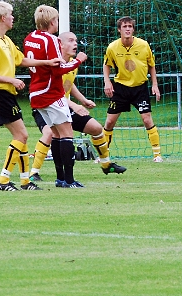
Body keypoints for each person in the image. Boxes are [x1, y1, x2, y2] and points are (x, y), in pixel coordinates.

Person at [0, 0, 60, 191]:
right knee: (21, 135)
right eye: (11, 14)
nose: (13, 17)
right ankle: (3, 180)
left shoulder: (6, 40)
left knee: (22, 136)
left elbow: (22, 60)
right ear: (2, 18)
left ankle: (25, 181)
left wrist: (47, 62)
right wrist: (12, 80)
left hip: (5, 93)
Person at [29, 31, 127, 183]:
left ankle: (106, 164)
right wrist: (75, 105)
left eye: (76, 40)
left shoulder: (72, 63)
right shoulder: (56, 63)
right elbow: (53, 92)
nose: (75, 43)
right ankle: (34, 172)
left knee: (96, 128)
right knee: (50, 133)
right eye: (70, 40)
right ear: (60, 44)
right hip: (47, 104)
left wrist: (83, 100)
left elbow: (69, 84)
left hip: (64, 105)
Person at [24, 5, 88, 188]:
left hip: (35, 93)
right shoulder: (51, 40)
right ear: (53, 22)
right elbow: (59, 69)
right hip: (51, 93)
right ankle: (68, 180)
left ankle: (60, 178)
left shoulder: (30, 38)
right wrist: (78, 61)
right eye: (57, 20)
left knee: (56, 134)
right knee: (67, 134)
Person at [103, 16, 163, 162]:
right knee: (110, 121)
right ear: (119, 30)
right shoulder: (112, 47)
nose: (128, 29)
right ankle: (103, 155)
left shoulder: (143, 45)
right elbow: (107, 65)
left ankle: (157, 155)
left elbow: (152, 65)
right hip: (121, 88)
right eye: (125, 27)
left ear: (133, 29)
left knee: (147, 119)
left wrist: (154, 84)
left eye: (130, 26)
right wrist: (107, 82)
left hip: (140, 88)